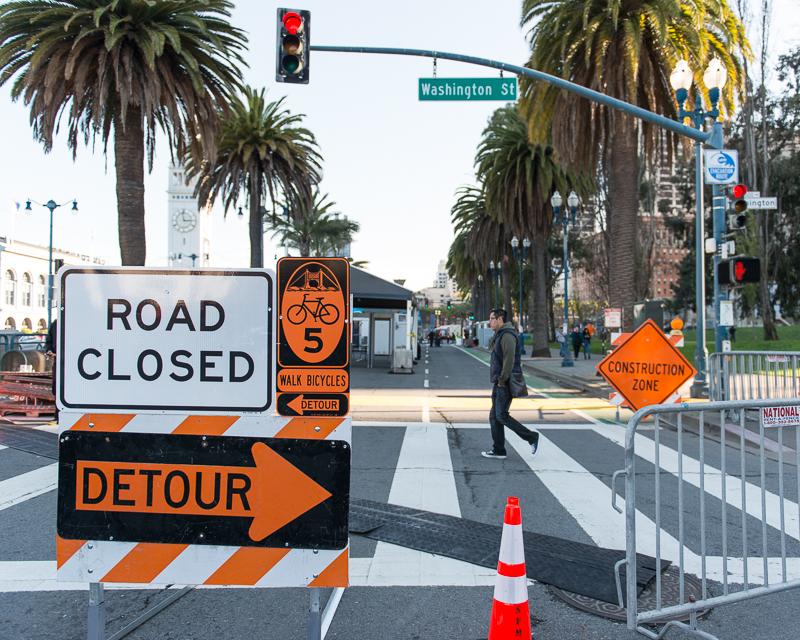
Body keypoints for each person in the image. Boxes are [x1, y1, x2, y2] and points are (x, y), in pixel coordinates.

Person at [481, 308, 540, 459]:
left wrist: (502, 380)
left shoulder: (507, 335)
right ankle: (499, 449)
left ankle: (531, 436)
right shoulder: (500, 335)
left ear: (500, 319)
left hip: (505, 382)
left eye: (492, 318)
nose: (490, 322)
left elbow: (509, 360)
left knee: (501, 415)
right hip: (500, 381)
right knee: (495, 416)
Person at [44, 319, 58, 424]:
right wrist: (49, 350)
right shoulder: (56, 323)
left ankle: (58, 416)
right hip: (58, 361)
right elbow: (49, 341)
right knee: (56, 388)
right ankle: (57, 416)